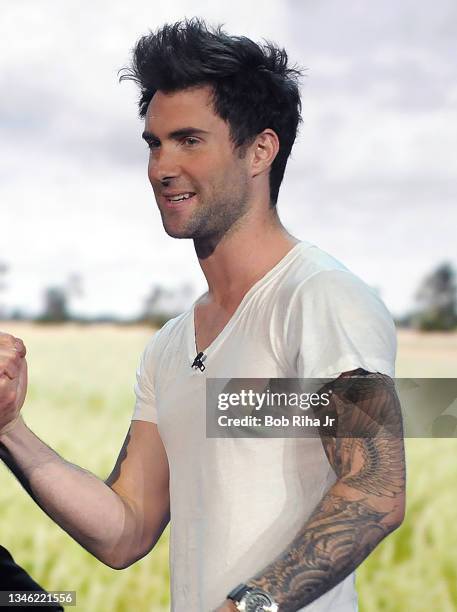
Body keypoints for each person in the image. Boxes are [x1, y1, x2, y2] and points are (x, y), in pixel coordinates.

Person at [0, 18, 405, 612]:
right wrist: (9, 428)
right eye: (154, 143)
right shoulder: (169, 345)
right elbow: (126, 530)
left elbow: (374, 491)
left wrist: (248, 606)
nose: (162, 167)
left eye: (189, 140)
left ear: (260, 150)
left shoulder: (320, 297)